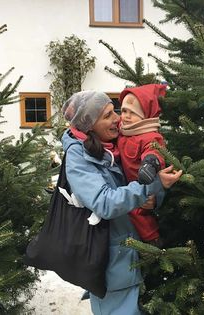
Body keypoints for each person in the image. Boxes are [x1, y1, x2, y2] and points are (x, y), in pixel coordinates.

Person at [61, 90, 182, 315]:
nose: (117, 118)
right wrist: (151, 187)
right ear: (89, 125)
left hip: (139, 251)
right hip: (111, 264)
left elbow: (140, 182)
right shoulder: (78, 158)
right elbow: (104, 202)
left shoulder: (118, 144)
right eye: (107, 116)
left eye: (115, 111)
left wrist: (155, 197)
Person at [118, 84, 167, 247]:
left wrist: (150, 162)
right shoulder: (123, 130)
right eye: (124, 111)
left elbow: (154, 150)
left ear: (145, 117)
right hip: (127, 184)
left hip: (144, 182)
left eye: (133, 113)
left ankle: (153, 241)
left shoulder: (149, 135)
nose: (126, 116)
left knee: (140, 212)